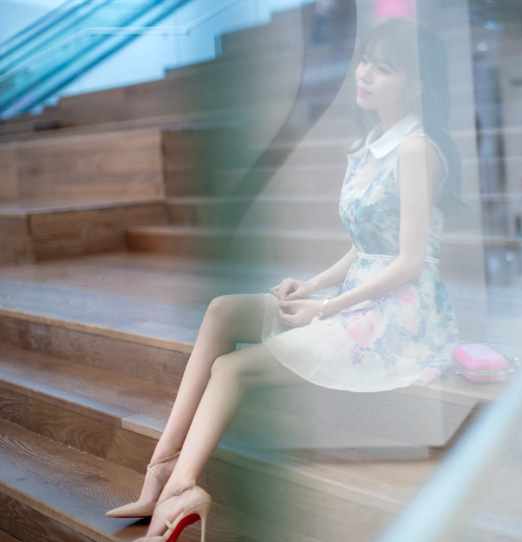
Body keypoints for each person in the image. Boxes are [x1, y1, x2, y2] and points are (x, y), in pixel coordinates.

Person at [106, 18, 461, 541]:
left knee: (231, 369)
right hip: (356, 298)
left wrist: (328, 309)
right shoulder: (371, 143)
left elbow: (409, 262)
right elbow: (365, 245)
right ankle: (159, 469)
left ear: (417, 84)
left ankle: (183, 489)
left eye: (384, 68)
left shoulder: (416, 149)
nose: (364, 74)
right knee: (223, 309)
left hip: (399, 319)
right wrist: (311, 286)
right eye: (365, 60)